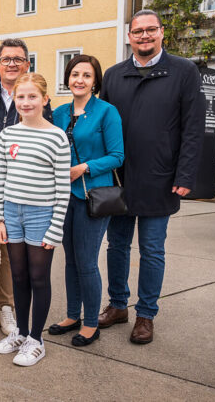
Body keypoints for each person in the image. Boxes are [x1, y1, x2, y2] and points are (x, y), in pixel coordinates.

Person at [97, 10, 204, 344]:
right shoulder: (114, 76)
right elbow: (101, 126)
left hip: (161, 178)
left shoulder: (184, 72)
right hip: (120, 180)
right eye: (137, 31)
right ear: (129, 36)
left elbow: (193, 129)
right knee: (116, 247)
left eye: (150, 30)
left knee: (152, 250)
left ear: (161, 33)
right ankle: (118, 306)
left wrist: (186, 174)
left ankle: (145, 314)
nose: (144, 36)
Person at [0, 38, 53, 336]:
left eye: (18, 59)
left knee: (9, 254)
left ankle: (5, 308)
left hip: (13, 190)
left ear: (27, 64)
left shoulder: (36, 102)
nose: (12, 64)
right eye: (6, 59)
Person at [0, 73, 70, 367]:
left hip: (41, 215)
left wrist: (55, 227)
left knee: (38, 278)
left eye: (32, 96)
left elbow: (63, 189)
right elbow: (0, 180)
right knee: (19, 277)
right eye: (20, 97)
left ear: (45, 100)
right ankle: (20, 334)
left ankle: (36, 339)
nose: (25, 102)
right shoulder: (8, 135)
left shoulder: (56, 137)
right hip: (11, 213)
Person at [48, 55, 124, 347]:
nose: (79, 79)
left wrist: (84, 167)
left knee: (87, 261)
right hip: (62, 196)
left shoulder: (107, 112)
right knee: (70, 259)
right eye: (75, 74)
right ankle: (71, 315)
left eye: (87, 75)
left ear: (95, 81)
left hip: (93, 196)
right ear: (68, 78)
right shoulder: (59, 112)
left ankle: (91, 322)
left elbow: (118, 156)